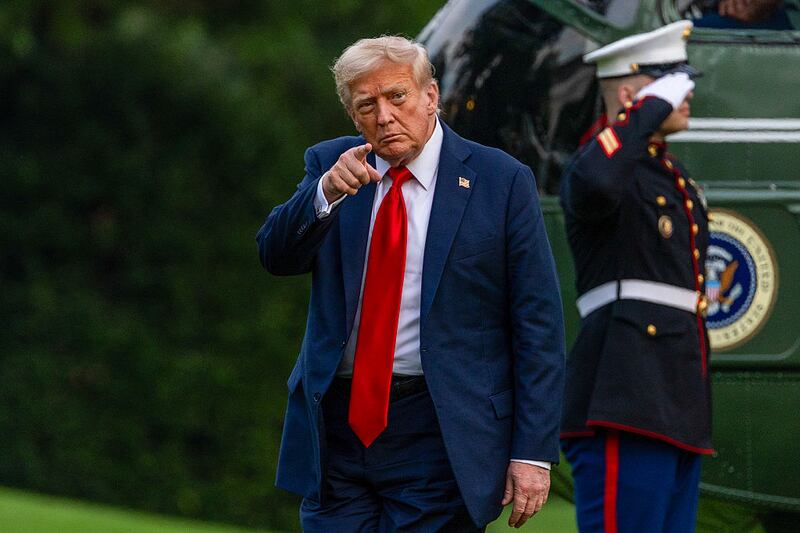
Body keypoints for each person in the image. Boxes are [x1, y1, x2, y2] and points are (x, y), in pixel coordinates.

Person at [257, 36, 565, 531]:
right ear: (353, 117)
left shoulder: (499, 180)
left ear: (431, 95)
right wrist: (327, 192)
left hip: (442, 428)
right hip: (337, 428)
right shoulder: (332, 167)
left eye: (396, 96)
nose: (384, 116)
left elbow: (538, 325)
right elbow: (275, 254)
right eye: (367, 105)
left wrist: (532, 451)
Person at [559, 21, 713, 533]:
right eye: (670, 84)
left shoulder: (669, 175)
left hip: (674, 402)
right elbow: (599, 181)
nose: (685, 94)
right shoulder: (595, 165)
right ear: (630, 95)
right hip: (623, 401)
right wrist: (642, 113)